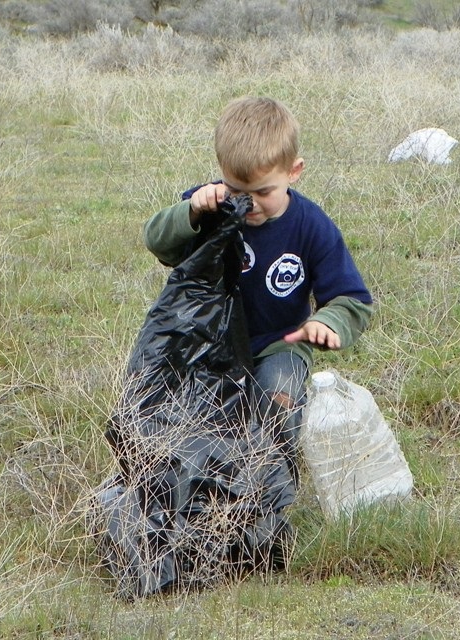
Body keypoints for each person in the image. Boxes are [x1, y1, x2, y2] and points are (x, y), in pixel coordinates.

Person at [143, 96, 373, 472]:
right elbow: (157, 241)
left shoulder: (311, 226)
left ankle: (269, 486)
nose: (248, 205)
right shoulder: (208, 207)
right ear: (221, 171)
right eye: (236, 191)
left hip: (277, 344)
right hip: (206, 341)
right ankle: (201, 484)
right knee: (182, 411)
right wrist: (192, 211)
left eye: (264, 192)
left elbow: (353, 299)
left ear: (294, 171)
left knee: (276, 395)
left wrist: (327, 322)